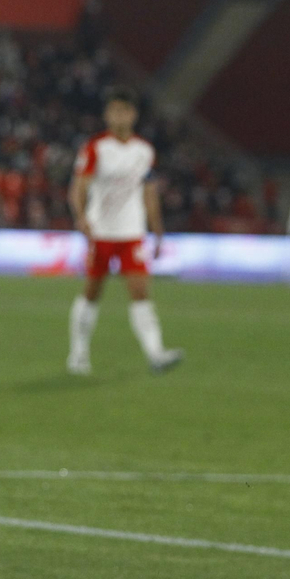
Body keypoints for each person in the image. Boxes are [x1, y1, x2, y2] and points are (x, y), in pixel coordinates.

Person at [66, 87, 183, 375]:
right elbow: (79, 186)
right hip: (101, 232)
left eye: (125, 110)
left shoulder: (144, 151)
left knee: (141, 291)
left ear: (134, 114)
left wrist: (157, 231)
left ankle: (156, 353)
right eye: (114, 110)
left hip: (131, 232)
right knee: (92, 292)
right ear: (107, 114)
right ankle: (78, 354)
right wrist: (81, 217)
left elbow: (150, 192)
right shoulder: (95, 148)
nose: (119, 115)